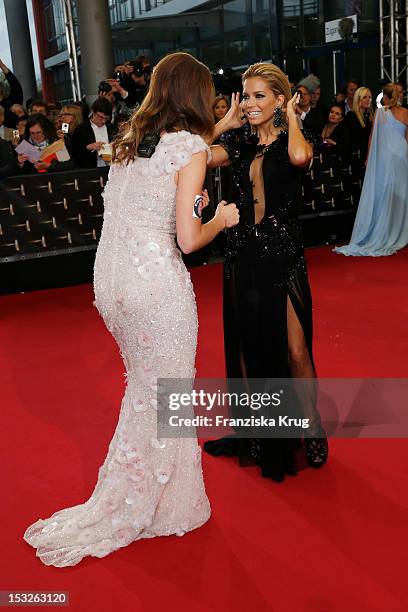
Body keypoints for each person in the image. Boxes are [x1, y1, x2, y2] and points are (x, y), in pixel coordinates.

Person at [23, 51, 239, 567]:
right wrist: (222, 220)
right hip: (153, 284)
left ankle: (145, 488)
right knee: (170, 395)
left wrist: (218, 134)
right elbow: (188, 239)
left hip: (110, 282)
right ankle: (164, 506)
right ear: (195, 96)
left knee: (145, 390)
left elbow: (169, 172)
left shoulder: (129, 141)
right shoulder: (187, 148)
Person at [204, 63, 328, 481]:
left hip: (283, 254)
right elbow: (193, 156)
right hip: (243, 254)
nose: (251, 104)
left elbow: (298, 157)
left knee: (295, 350)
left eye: (260, 96)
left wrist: (291, 117)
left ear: (279, 98)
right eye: (247, 95)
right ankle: (260, 431)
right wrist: (222, 122)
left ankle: (311, 425)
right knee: (247, 348)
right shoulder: (237, 142)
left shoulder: (297, 138)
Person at [334, 83, 408, 256]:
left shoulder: (380, 114)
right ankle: (398, 229)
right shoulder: (403, 113)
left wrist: (369, 158)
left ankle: (386, 230)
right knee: (400, 193)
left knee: (385, 194)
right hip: (401, 155)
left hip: (385, 157)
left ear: (385, 96)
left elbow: (372, 139)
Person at [70, 98, 115, 168]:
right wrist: (88, 147)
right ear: (93, 112)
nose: (103, 121)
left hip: (111, 168)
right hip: (90, 169)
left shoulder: (112, 128)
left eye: (106, 118)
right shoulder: (81, 129)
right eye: (100, 117)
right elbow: (74, 152)